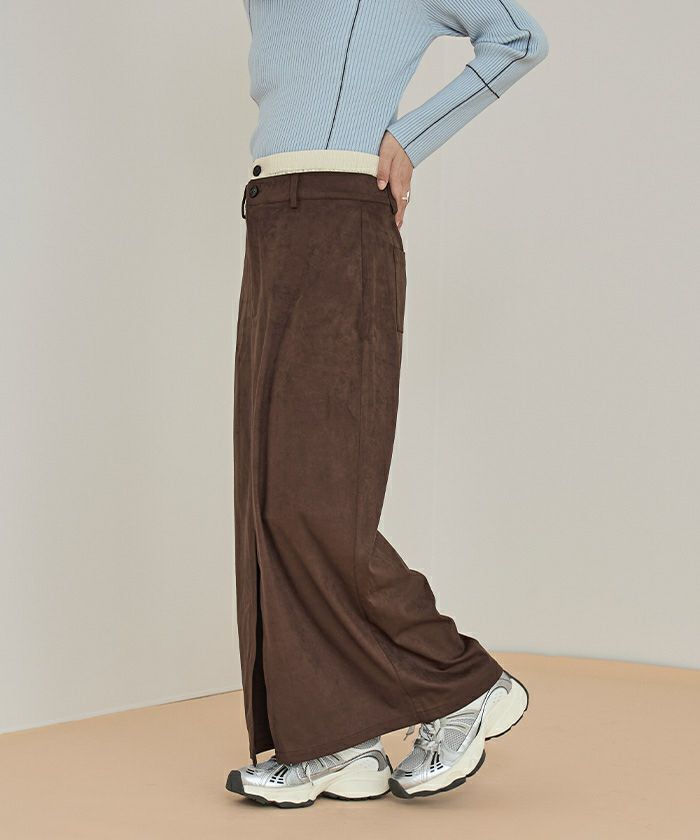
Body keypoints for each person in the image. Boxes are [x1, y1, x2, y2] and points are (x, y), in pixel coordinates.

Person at [226, 0, 548, 808]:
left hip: (341, 213)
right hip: (272, 215)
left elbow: (518, 38)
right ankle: (335, 739)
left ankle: (463, 684)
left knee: (318, 501)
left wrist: (411, 138)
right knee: (271, 502)